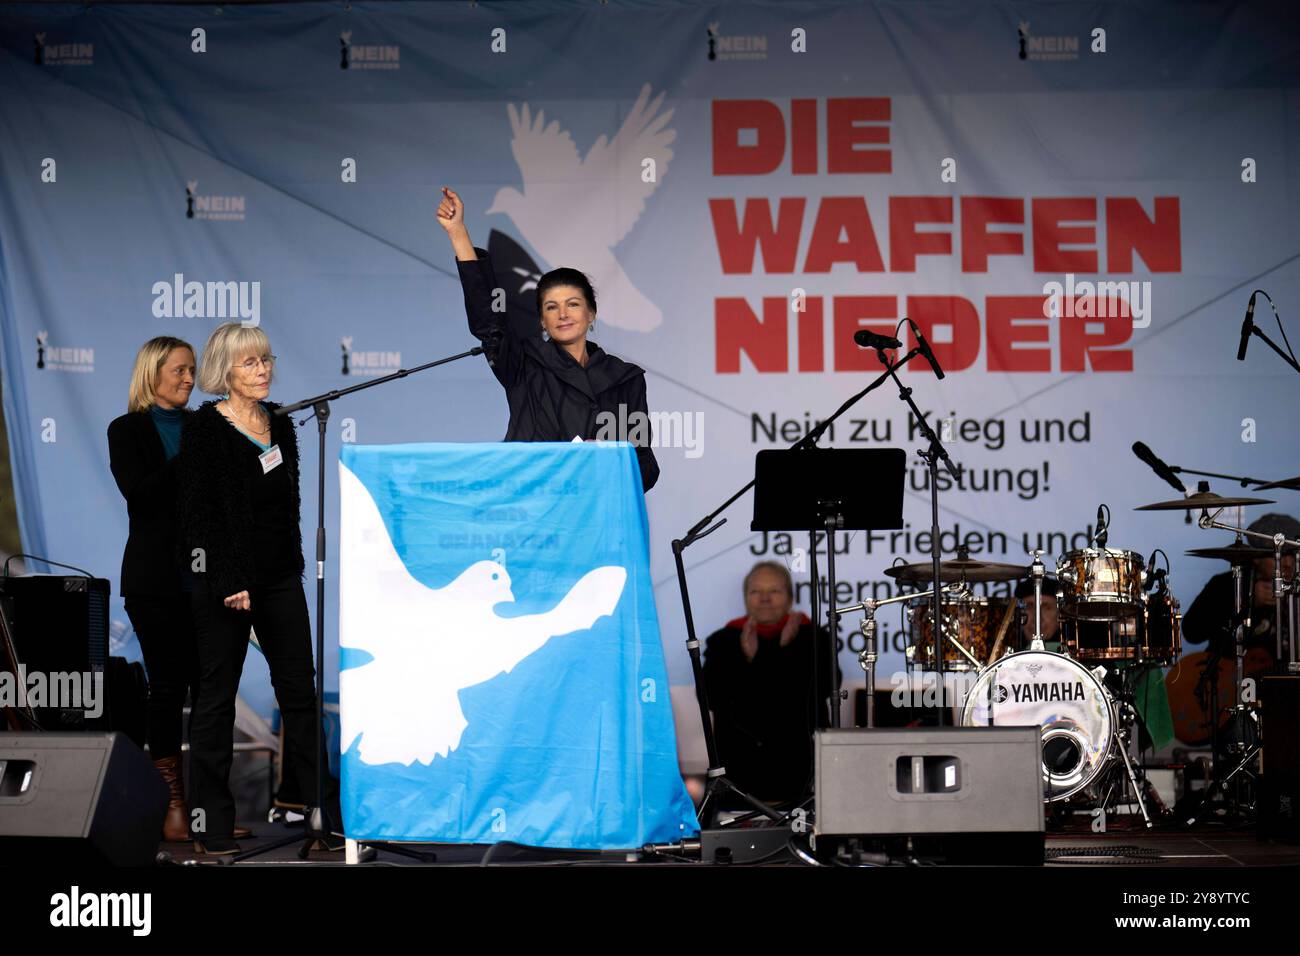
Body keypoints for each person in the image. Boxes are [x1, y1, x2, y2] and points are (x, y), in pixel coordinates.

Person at [176, 322, 334, 855]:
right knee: (216, 700)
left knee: (300, 693)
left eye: (266, 360)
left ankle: (316, 814)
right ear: (226, 370)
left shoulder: (281, 424)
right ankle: (210, 826)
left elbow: (283, 509)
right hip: (225, 582)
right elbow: (199, 515)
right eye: (250, 363)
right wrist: (229, 579)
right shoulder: (204, 429)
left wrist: (283, 569)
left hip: (279, 577)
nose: (262, 370)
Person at [435, 186, 659, 492]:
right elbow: (489, 321)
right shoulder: (523, 363)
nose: (563, 314)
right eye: (551, 307)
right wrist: (458, 233)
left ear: (591, 313)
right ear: (542, 319)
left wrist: (614, 459)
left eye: (573, 304)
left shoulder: (625, 378)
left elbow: (646, 465)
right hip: (533, 509)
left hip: (597, 513)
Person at [108, 337, 210, 842]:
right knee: (168, 686)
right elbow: (143, 496)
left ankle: (211, 806)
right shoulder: (126, 430)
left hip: (208, 580)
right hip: (155, 581)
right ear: (152, 372)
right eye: (179, 370)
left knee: (212, 691)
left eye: (193, 371)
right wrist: (192, 456)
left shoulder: (203, 428)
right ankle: (172, 803)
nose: (189, 379)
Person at [703, 561, 837, 805]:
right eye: (756, 591)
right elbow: (713, 698)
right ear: (745, 597)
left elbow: (822, 689)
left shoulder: (813, 638)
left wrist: (771, 656)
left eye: (774, 591)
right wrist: (750, 658)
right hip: (738, 775)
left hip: (800, 773)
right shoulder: (722, 641)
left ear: (790, 598)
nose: (764, 599)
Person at [1182, 513, 1300, 667]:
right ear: (1256, 557)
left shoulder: (1296, 587)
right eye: (1278, 555)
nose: (1288, 563)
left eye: (1293, 554)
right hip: (1229, 683)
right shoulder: (1227, 584)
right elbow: (1192, 632)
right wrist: (1246, 598)